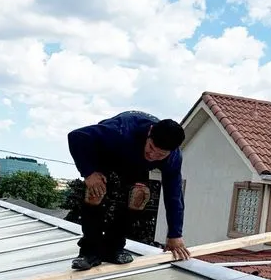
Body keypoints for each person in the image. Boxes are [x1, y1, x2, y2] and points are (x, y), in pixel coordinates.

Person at [66, 110, 188, 270]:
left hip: (134, 162)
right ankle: (89, 251)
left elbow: (174, 195)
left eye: (160, 155)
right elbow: (76, 136)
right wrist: (88, 173)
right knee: (95, 192)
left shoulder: (173, 158)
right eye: (151, 147)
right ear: (150, 133)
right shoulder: (120, 131)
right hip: (106, 153)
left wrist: (175, 234)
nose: (152, 155)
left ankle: (113, 247)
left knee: (139, 195)